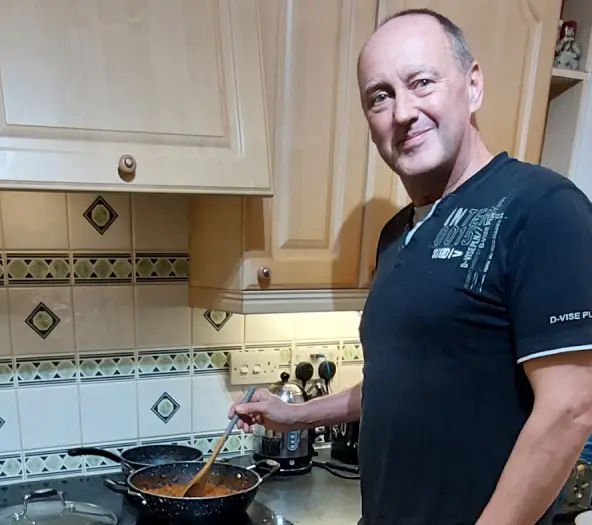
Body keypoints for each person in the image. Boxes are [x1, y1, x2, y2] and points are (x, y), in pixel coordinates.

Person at [230, 8, 592, 525]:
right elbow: (399, 381)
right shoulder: (397, 234)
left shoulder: (542, 207)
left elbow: (571, 408)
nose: (402, 112)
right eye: (380, 96)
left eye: (422, 82)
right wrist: (296, 414)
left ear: (473, 87)